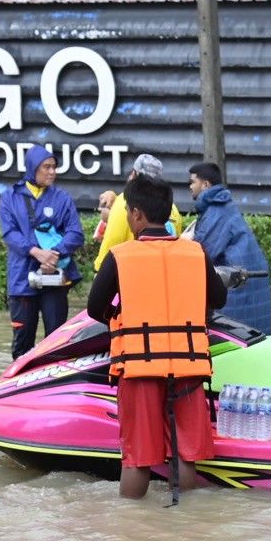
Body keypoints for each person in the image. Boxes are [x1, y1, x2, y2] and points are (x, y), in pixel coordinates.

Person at [86, 174, 227, 502]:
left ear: (136, 214)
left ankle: (133, 524)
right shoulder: (196, 252)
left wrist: (122, 321)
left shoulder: (120, 256)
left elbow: (95, 308)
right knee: (185, 454)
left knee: (138, 458)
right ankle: (186, 521)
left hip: (140, 369)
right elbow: (218, 299)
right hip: (188, 367)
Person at [0, 144, 83, 359]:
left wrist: (54, 254)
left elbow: (75, 233)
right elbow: (9, 233)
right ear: (32, 167)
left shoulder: (62, 198)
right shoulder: (10, 197)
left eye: (54, 167)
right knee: (22, 343)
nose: (52, 172)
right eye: (46, 167)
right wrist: (36, 252)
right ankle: (20, 380)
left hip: (54, 277)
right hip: (22, 278)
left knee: (56, 343)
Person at [184, 161, 271, 335]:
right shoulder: (222, 206)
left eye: (193, 182)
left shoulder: (216, 211)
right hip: (247, 277)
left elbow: (204, 253)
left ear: (205, 184)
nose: (190, 186)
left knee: (237, 335)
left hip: (237, 280)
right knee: (254, 332)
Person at [93, 154, 183, 269]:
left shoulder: (124, 203)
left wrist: (99, 270)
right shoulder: (172, 208)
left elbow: (109, 248)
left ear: (134, 174)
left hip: (128, 272)